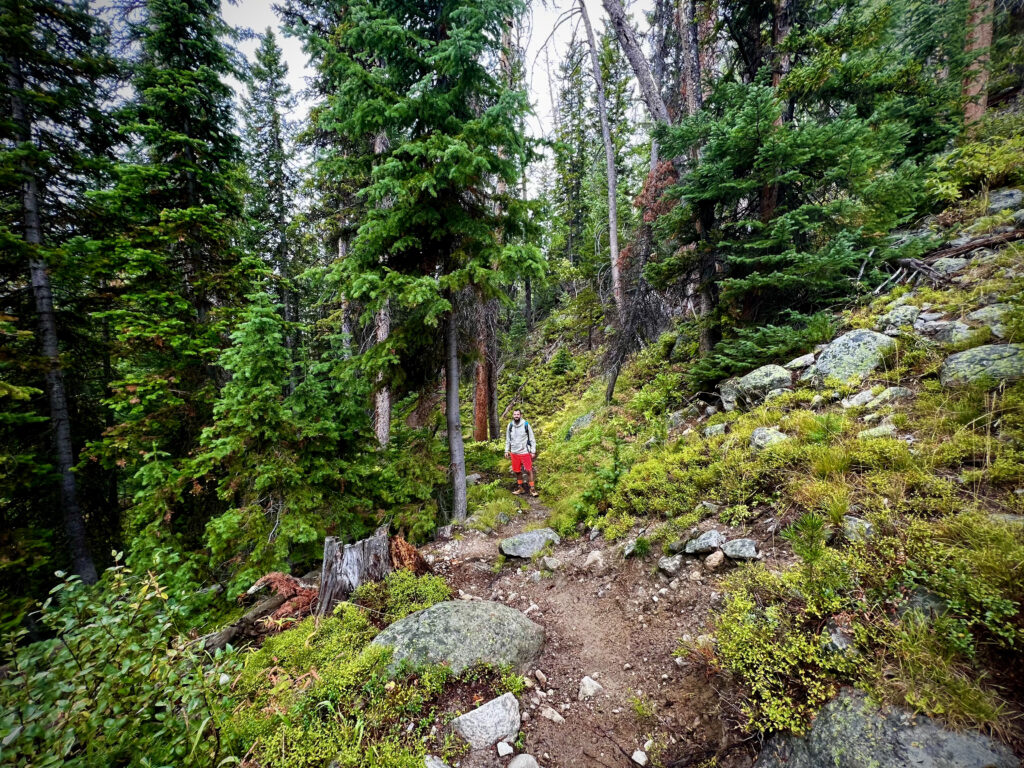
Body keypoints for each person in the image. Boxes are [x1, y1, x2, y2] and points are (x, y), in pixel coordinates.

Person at [504, 408, 538, 496]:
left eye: (518, 414)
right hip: (514, 452)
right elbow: (508, 439)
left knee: (528, 470)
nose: (516, 416)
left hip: (525, 451)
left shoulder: (526, 425)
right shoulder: (510, 425)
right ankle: (520, 488)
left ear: (520, 415)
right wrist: (507, 450)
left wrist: (533, 451)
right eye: (515, 414)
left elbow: (532, 438)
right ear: (513, 415)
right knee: (517, 471)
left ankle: (532, 489)